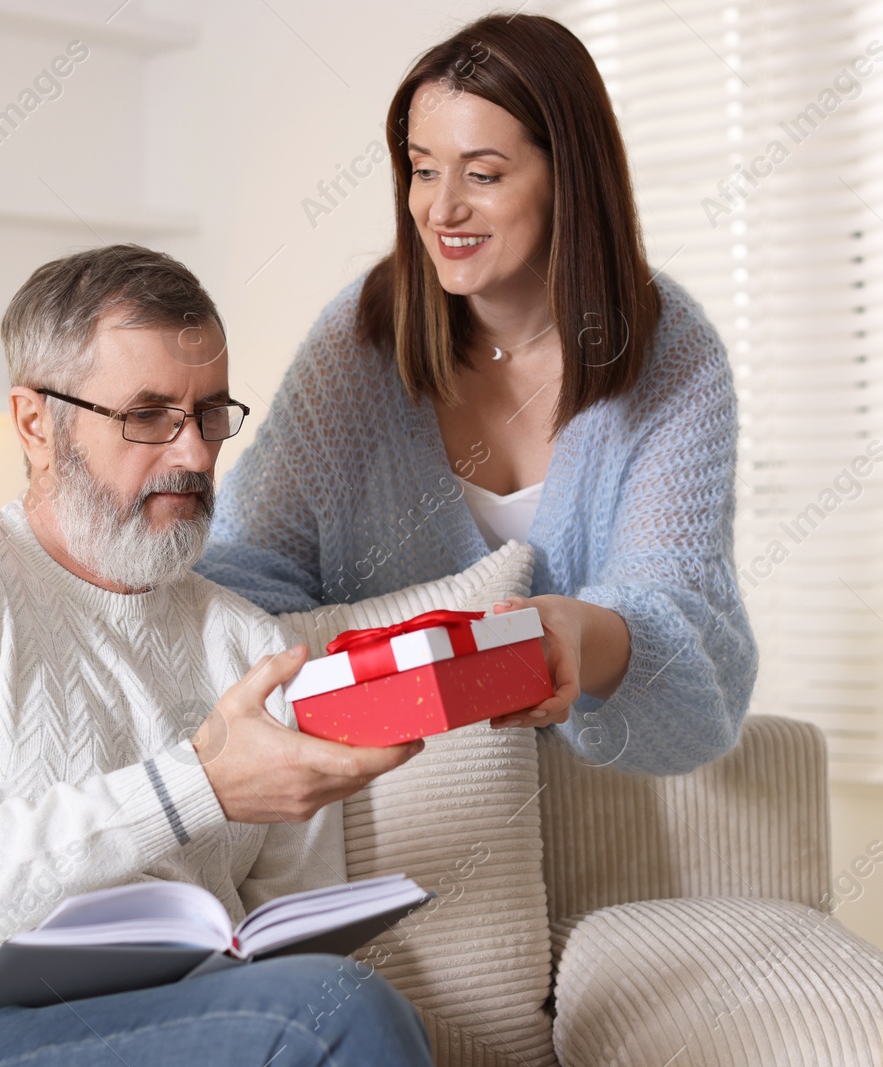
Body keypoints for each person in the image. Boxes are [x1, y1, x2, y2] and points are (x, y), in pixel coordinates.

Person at [0, 245, 432, 1067]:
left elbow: (288, 951)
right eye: (149, 416)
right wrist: (198, 785)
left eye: (210, 414)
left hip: (164, 1036)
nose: (194, 455)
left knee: (332, 999)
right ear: (34, 423)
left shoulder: (255, 648)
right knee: (336, 1017)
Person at [196, 14, 756, 776]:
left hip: (587, 791)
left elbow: (698, 664)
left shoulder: (673, 356)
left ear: (569, 177)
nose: (441, 208)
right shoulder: (360, 341)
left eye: (482, 174)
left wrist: (579, 636)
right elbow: (241, 576)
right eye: (424, 170)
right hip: (390, 790)